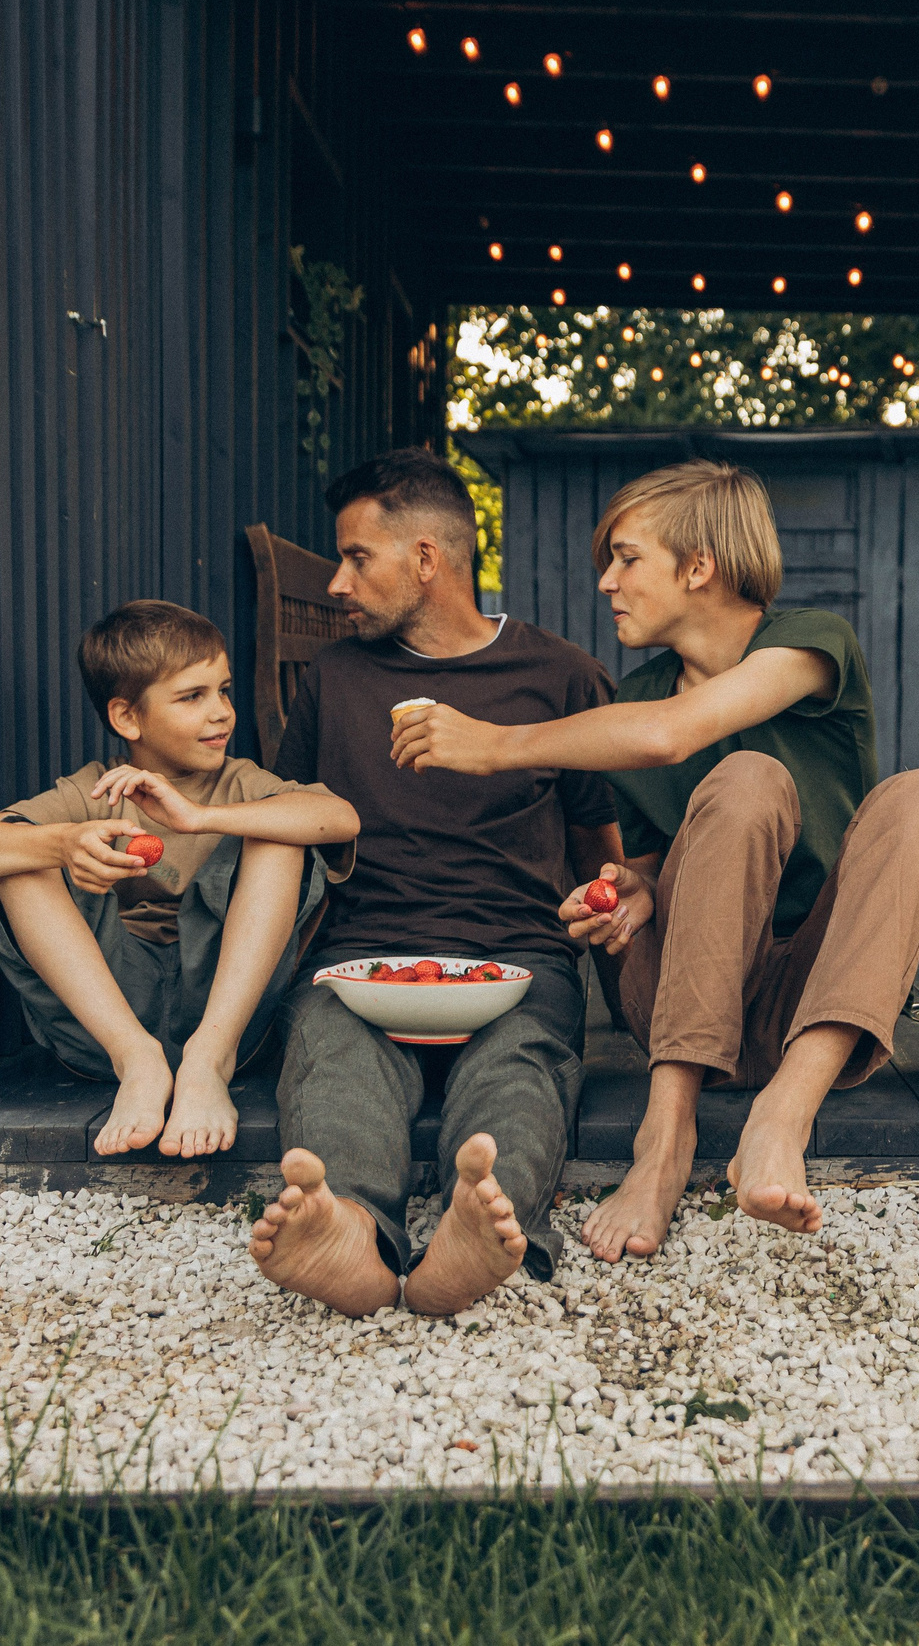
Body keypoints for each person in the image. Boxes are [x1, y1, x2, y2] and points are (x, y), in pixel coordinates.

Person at [391, 459, 919, 1259]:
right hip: (684, 1005)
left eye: (626, 558)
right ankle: (665, 1137)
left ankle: (784, 1112)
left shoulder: (810, 644)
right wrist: (637, 890)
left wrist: (492, 746)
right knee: (745, 784)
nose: (606, 583)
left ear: (699, 566)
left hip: (808, 1001)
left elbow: (678, 732)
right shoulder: (631, 702)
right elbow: (656, 859)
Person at [246, 448, 626, 1319]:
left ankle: (481, 1224)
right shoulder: (334, 680)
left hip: (520, 957)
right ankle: (350, 1229)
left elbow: (601, 849)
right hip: (360, 956)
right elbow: (289, 821)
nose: (339, 583)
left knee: (520, 1068)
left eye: (356, 557)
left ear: (426, 558)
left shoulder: (561, 677)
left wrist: (630, 1001)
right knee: (334, 1058)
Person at [0, 601, 359, 1159]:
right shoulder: (95, 791)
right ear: (127, 718)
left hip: (226, 1020)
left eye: (223, 690)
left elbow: (342, 818)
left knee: (279, 831)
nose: (221, 712)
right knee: (17, 853)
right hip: (108, 1029)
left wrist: (199, 817)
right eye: (191, 697)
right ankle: (141, 1063)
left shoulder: (240, 782)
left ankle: (206, 1063)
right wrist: (61, 841)